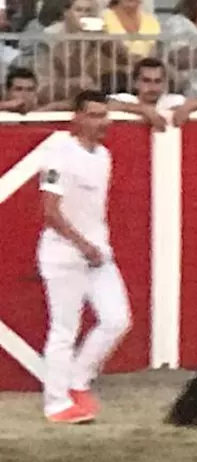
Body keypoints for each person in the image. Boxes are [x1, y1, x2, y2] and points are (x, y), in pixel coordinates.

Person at [36, 88, 132, 425]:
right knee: (64, 330)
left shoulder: (103, 155)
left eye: (103, 115)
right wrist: (83, 244)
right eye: (92, 115)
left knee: (117, 319)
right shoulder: (59, 154)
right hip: (64, 255)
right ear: (76, 118)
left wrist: (94, 247)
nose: (101, 122)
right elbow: (50, 212)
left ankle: (77, 380)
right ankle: (56, 402)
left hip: (96, 251)